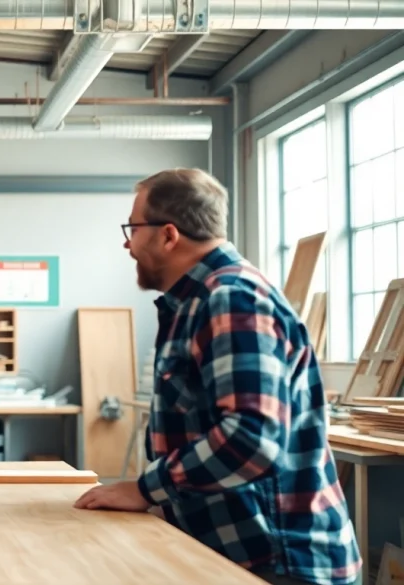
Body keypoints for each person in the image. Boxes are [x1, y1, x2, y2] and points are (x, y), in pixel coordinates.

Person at [73, 169, 361, 585]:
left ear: (168, 235)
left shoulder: (229, 298)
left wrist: (146, 488)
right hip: (238, 554)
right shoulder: (196, 301)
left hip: (279, 563)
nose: (127, 242)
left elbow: (252, 439)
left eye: (133, 228)